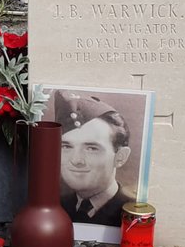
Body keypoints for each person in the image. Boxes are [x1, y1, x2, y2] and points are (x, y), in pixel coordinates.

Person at [56, 93, 136, 227]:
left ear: (120, 157)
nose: (76, 160)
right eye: (66, 146)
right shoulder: (57, 207)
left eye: (91, 148)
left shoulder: (132, 213)